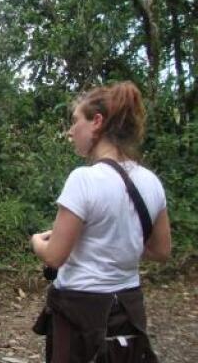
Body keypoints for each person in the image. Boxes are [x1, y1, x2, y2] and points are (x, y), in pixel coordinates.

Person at [30, 81, 171, 362]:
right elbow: (161, 251)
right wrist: (112, 241)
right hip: (128, 311)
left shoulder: (84, 179)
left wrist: (36, 242)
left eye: (75, 122)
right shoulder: (150, 181)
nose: (70, 132)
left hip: (81, 312)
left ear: (96, 122)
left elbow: (56, 257)